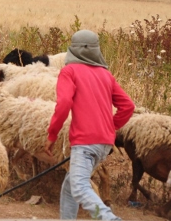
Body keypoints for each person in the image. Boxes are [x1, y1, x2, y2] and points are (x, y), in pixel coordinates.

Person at [43, 29, 135, 220]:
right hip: (104, 144)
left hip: (85, 143)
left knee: (79, 187)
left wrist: (52, 135)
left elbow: (64, 103)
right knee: (70, 185)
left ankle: (109, 218)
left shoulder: (69, 71)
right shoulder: (105, 74)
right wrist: (110, 127)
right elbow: (128, 106)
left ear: (73, 49)